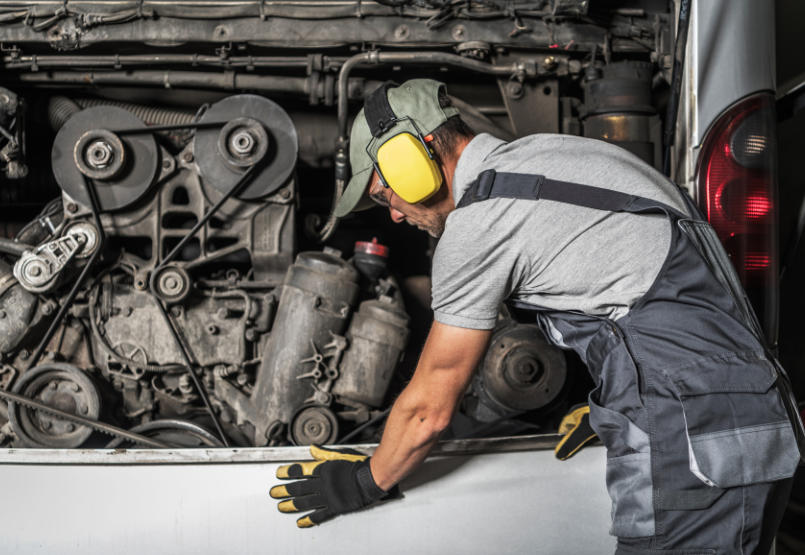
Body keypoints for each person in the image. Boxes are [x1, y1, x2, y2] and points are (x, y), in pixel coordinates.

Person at [270, 79, 802, 554]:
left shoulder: (481, 222)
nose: (392, 212)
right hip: (751, 427)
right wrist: (612, 405)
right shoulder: (553, 158)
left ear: (414, 153)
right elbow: (652, 300)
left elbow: (431, 404)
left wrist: (363, 482)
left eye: (385, 190)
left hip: (690, 445)